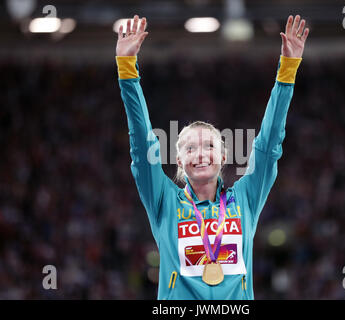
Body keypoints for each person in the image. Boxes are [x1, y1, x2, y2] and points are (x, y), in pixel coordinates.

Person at [115, 14, 309, 300]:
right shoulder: (164, 201)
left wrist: (287, 71)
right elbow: (142, 147)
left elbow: (269, 146)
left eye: (209, 146)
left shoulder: (245, 198)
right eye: (190, 149)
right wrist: (127, 69)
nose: (200, 154)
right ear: (179, 161)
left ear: (223, 156)